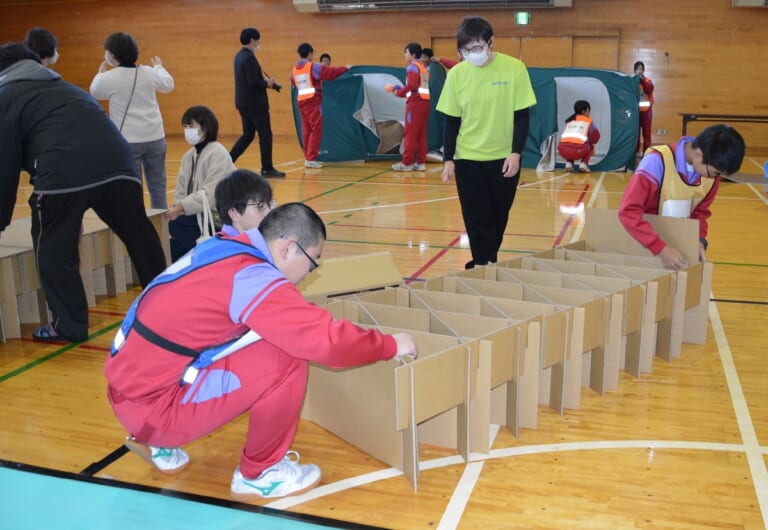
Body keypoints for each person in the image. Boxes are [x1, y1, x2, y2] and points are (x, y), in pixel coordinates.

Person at [104, 202, 418, 500]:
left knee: (262, 336)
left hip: (130, 390)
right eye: (312, 262)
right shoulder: (253, 278)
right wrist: (390, 345)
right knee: (288, 355)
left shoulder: (224, 245)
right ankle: (260, 473)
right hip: (154, 409)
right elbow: (326, 341)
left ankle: (156, 440)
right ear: (287, 248)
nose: (310, 273)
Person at [0, 43, 167, 342]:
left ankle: (69, 326)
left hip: (62, 174)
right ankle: (169, 306)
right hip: (119, 163)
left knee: (52, 249)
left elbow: (4, 163)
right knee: (140, 235)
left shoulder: (6, 95)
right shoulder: (65, 87)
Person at [436, 16, 537, 270]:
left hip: (503, 158)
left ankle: (487, 258)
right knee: (475, 216)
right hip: (467, 157)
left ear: (490, 42)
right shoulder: (457, 74)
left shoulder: (515, 69)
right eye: (466, 50)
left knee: (498, 214)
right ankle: (483, 262)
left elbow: (522, 116)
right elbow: (451, 120)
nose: (472, 54)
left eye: (477, 48)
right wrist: (448, 159)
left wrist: (516, 153)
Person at [618, 124, 745, 270]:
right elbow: (628, 211)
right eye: (715, 172)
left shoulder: (710, 175)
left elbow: (700, 212)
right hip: (643, 245)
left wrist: (699, 240)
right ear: (699, 154)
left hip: (673, 245)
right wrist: (660, 249)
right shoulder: (656, 162)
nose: (716, 178)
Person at [90, 32, 175, 209]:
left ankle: (137, 225)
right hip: (155, 137)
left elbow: (95, 91)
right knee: (158, 185)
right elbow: (168, 85)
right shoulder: (149, 73)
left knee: (132, 186)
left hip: (128, 141)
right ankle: (161, 226)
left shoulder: (109, 78)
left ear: (112, 55)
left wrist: (99, 74)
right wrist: (159, 67)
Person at [164, 105, 236, 261]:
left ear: (206, 127)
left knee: (178, 231)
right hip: (197, 216)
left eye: (192, 126)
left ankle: (202, 258)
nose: (187, 130)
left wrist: (183, 206)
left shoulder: (218, 153)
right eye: (185, 126)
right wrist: (177, 208)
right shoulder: (188, 157)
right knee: (172, 230)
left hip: (219, 217)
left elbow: (212, 194)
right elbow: (181, 192)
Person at [229, 27, 286, 178]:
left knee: (248, 135)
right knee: (265, 135)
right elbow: (253, 82)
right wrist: (268, 83)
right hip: (255, 104)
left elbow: (250, 80)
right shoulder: (248, 57)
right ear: (252, 40)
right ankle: (267, 168)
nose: (260, 42)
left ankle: (227, 161)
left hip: (243, 102)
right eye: (258, 39)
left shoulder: (239, 56)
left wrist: (268, 83)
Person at [290, 42, 349, 169]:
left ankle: (308, 158)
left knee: (306, 131)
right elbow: (330, 73)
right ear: (310, 54)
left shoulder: (294, 70)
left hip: (301, 103)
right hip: (312, 102)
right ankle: (311, 159)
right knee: (316, 130)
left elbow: (293, 82)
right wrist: (345, 68)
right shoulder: (313, 67)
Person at [385, 42, 430, 172]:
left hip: (415, 104)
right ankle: (421, 163)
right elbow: (417, 88)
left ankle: (406, 163)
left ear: (413, 54)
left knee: (409, 134)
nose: (405, 55)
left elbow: (411, 86)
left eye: (406, 52)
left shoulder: (411, 67)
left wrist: (398, 92)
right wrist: (403, 92)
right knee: (421, 135)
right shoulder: (423, 68)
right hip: (425, 103)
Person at [215, 169, 275, 234]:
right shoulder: (229, 244)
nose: (270, 211)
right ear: (235, 214)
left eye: (270, 203)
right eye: (261, 206)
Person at [557, 100, 600, 173]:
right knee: (591, 147)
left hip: (562, 149)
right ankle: (584, 164)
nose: (589, 113)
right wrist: (591, 142)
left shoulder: (569, 120)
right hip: (578, 151)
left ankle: (569, 164)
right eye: (588, 111)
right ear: (584, 111)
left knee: (570, 144)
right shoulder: (588, 121)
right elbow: (595, 137)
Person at [634, 60, 654, 155]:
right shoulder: (633, 82)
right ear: (634, 70)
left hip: (646, 112)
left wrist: (641, 79)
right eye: (637, 69)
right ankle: (637, 152)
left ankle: (646, 153)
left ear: (644, 70)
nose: (639, 70)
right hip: (636, 112)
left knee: (646, 134)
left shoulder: (647, 81)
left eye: (641, 69)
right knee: (636, 135)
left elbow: (649, 90)